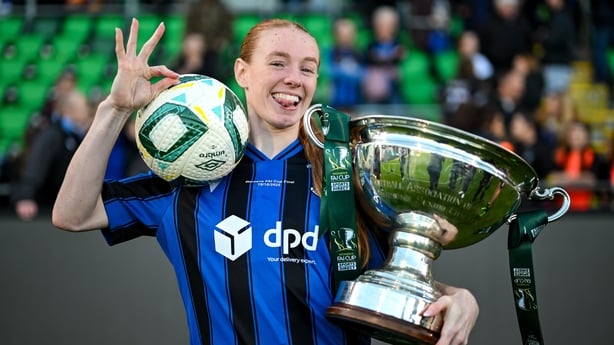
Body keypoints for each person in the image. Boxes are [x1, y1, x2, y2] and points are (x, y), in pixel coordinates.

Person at [52, 18, 479, 345]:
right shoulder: (186, 177)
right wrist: (114, 109)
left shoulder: (348, 176)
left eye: (307, 68)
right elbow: (72, 213)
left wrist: (456, 295)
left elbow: (389, 277)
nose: (295, 78)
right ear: (242, 72)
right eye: (278, 63)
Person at [12, 89, 91, 221]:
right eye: (84, 107)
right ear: (68, 111)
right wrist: (25, 196)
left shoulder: (74, 136)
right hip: (44, 209)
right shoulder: (52, 135)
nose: (87, 112)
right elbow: (37, 164)